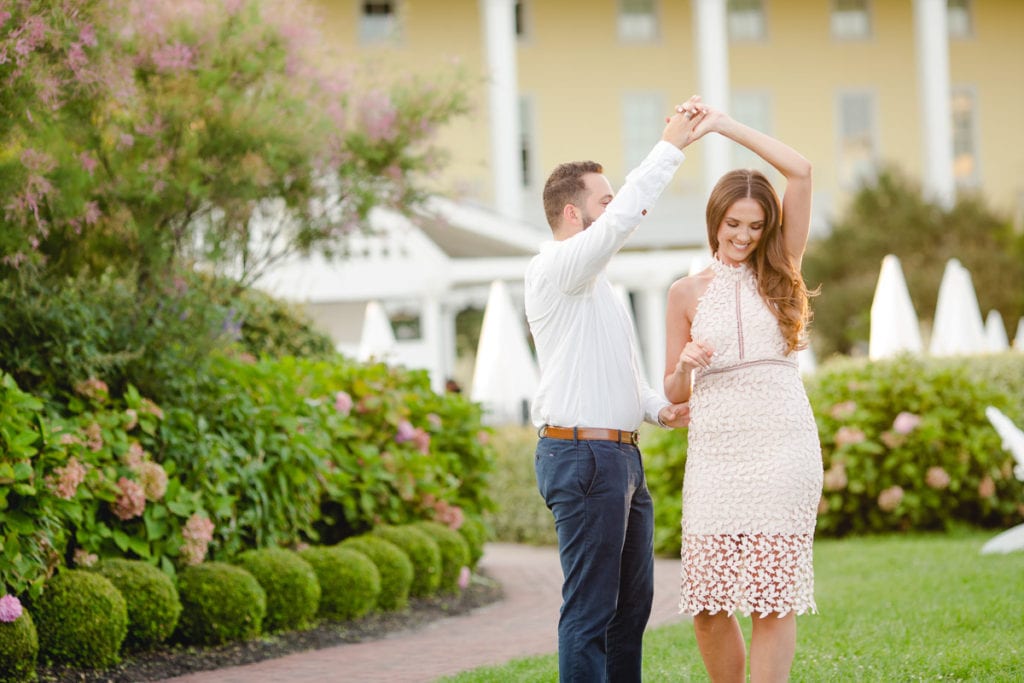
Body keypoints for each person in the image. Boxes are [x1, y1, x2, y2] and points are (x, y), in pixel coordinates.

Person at [525, 95, 703, 683]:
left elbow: (620, 374)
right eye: (605, 201)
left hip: (620, 457)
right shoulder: (556, 267)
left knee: (631, 612)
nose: (624, 212)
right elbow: (629, 212)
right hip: (582, 457)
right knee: (591, 613)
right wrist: (670, 147)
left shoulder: (598, 286)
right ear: (575, 216)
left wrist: (658, 407)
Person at [663, 101, 823, 682]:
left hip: (782, 444)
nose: (744, 236)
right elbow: (673, 390)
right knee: (708, 603)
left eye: (756, 226)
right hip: (716, 452)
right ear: (715, 223)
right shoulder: (683, 293)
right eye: (734, 224)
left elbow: (801, 171)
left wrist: (723, 126)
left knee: (770, 594)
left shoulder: (782, 268)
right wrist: (684, 366)